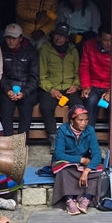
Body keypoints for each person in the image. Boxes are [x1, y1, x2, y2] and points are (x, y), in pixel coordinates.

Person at [51, 105, 102, 215]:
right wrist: (80, 160)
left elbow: (97, 154)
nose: (84, 123)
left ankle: (86, 198)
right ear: (72, 121)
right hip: (67, 161)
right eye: (80, 120)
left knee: (98, 171)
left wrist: (87, 170)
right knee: (63, 171)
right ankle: (69, 200)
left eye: (86, 119)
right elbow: (59, 154)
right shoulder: (63, 130)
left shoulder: (90, 130)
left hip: (83, 163)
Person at [38, 22, 80, 153]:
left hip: (69, 87)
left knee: (79, 108)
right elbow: (41, 75)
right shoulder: (45, 49)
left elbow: (78, 73)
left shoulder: (73, 50)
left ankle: (74, 138)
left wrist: (76, 85)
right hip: (51, 87)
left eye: (62, 36)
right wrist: (51, 89)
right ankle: (54, 138)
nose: (58, 38)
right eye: (56, 34)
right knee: (45, 106)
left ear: (67, 38)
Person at [0, 23, 40, 136]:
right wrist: (7, 90)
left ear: (21, 38)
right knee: (6, 107)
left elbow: (34, 78)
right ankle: (8, 141)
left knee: (26, 108)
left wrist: (24, 92)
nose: (10, 41)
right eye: (8, 38)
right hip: (8, 87)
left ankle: (21, 143)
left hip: (27, 88)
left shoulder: (31, 52)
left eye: (14, 38)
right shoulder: (0, 51)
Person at [79, 25, 112, 127]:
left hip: (111, 85)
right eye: (106, 40)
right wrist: (86, 87)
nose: (110, 43)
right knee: (91, 100)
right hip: (93, 84)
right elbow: (84, 67)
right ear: (98, 38)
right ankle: (89, 135)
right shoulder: (89, 45)